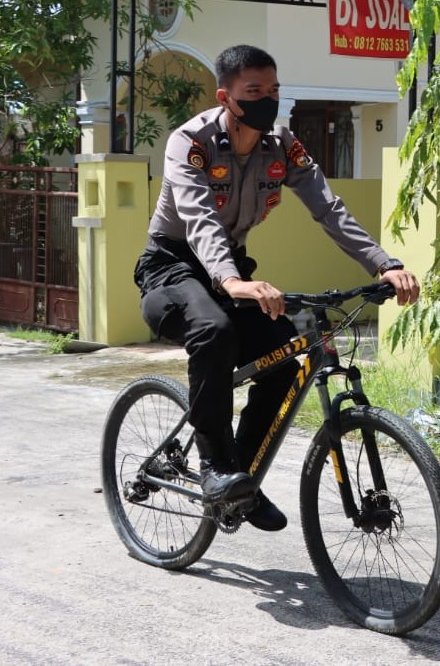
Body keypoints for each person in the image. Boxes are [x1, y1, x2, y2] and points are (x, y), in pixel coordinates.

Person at [133, 44, 419, 531]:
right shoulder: (192, 142)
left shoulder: (282, 147)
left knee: (289, 354)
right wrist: (231, 282)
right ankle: (215, 469)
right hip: (172, 266)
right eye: (254, 92)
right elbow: (200, 221)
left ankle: (240, 484)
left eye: (274, 90)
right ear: (226, 97)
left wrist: (383, 264)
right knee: (214, 329)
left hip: (231, 270)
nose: (268, 99)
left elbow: (328, 208)